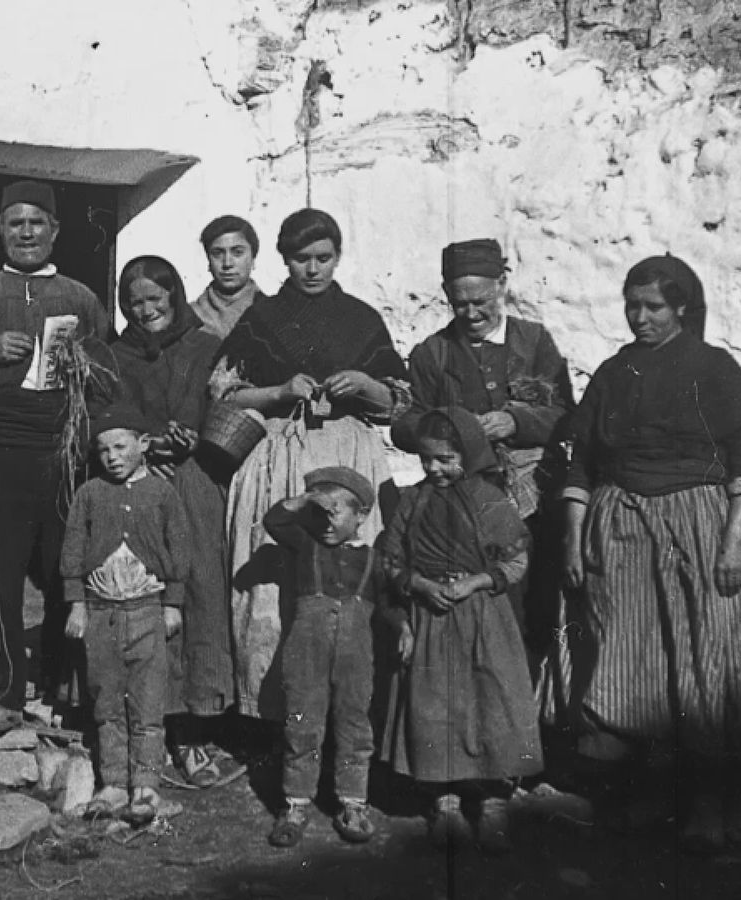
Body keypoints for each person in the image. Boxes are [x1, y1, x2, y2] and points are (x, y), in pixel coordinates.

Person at [562, 254, 741, 852]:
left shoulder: (714, 369)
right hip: (621, 532)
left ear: (682, 308)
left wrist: (734, 540)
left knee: (704, 659)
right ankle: (648, 795)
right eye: (632, 306)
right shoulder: (614, 372)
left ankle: (710, 805)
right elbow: (582, 461)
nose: (641, 317)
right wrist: (572, 535)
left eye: (654, 307)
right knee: (633, 657)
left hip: (696, 525)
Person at [210, 207, 410, 722]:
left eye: (323, 258)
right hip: (280, 455)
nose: (313, 269)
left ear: (338, 256)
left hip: (350, 457)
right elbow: (225, 395)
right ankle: (276, 711)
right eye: (302, 259)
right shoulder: (262, 318)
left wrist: (365, 386)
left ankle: (351, 710)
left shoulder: (363, 318)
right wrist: (279, 390)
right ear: (284, 259)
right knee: (275, 581)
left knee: (349, 580)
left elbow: (396, 407)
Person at [0, 180, 111, 735]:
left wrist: (86, 367)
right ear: (0, 231)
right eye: (16, 223)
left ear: (55, 231)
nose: (27, 232)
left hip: (62, 453)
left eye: (37, 223)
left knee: (67, 571)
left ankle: (65, 689)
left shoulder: (80, 298)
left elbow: (108, 374)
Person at [389, 238, 575, 708]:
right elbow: (406, 423)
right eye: (459, 304)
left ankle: (533, 724)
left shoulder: (534, 342)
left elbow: (565, 413)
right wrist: (451, 430)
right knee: (487, 612)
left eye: (482, 302)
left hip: (533, 499)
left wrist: (517, 421)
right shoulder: (432, 354)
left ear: (504, 286)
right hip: (464, 507)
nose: (471, 313)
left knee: (535, 605)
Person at [380, 408, 542, 853]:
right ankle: (443, 796)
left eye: (447, 459)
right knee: (435, 703)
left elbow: (516, 559)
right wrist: (419, 585)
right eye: (427, 459)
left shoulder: (488, 500)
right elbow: (391, 560)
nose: (435, 469)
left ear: (467, 456)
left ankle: (491, 799)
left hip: (483, 617)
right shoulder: (412, 501)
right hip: (429, 617)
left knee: (489, 700)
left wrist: (474, 582)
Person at [110, 255, 240, 788]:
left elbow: (225, 411)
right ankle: (151, 724)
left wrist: (195, 433)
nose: (146, 312)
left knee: (201, 596)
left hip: (192, 486)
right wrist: (143, 439)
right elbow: (106, 413)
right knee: (146, 600)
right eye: (135, 303)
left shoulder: (207, 346)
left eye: (156, 301)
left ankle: (196, 728)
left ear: (176, 297)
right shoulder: (115, 355)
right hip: (138, 493)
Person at [61, 406, 189, 821]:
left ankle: (147, 787)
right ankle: (114, 783)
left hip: (147, 611)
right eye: (103, 450)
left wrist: (172, 604)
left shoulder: (163, 493)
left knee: (148, 707)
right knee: (107, 704)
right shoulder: (89, 494)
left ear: (144, 445)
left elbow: (180, 549)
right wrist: (77, 604)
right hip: (100, 614)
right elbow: (73, 550)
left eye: (120, 447)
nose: (112, 456)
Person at [260, 466, 384, 847]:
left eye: (335, 514)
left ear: (361, 515)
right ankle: (296, 803)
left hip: (355, 654)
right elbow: (274, 520)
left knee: (354, 724)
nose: (325, 523)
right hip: (306, 651)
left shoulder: (374, 559)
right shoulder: (305, 544)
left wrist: (406, 629)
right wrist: (305, 502)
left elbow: (393, 603)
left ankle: (353, 802)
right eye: (318, 515)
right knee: (302, 723)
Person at [189, 215, 266, 340]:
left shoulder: (272, 312)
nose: (227, 263)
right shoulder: (189, 318)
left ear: (253, 258)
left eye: (237, 252)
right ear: (208, 260)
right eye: (217, 253)